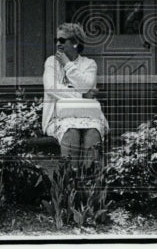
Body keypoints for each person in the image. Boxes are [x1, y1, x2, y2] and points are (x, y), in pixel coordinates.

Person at [42, 22, 108, 167]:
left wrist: (67, 64)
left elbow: (86, 85)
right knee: (71, 132)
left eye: (62, 40)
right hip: (58, 117)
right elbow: (52, 88)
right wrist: (82, 96)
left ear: (75, 43)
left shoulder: (89, 64)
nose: (58, 44)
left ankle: (91, 182)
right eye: (56, 40)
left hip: (88, 115)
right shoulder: (51, 62)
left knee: (93, 132)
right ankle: (70, 183)